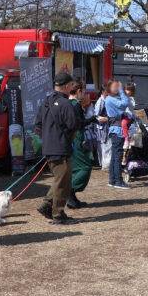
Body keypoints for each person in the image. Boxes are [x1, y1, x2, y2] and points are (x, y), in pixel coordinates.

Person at [34, 72, 84, 223]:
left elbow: (38, 124)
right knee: (63, 182)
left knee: (60, 179)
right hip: (61, 146)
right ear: (67, 86)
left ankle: (46, 204)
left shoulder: (46, 101)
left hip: (48, 146)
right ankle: (58, 214)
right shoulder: (66, 104)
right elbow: (74, 125)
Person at [67, 79, 101, 210]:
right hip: (77, 139)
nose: (84, 94)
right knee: (85, 167)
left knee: (75, 168)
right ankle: (69, 191)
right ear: (79, 91)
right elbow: (79, 124)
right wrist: (93, 119)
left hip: (71, 139)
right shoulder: (75, 104)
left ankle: (72, 197)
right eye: (83, 91)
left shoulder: (67, 103)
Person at [105, 79, 132, 189]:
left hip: (115, 129)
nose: (117, 88)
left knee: (114, 155)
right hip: (117, 129)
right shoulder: (111, 99)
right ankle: (118, 181)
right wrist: (121, 90)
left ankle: (112, 180)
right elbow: (126, 103)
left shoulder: (110, 99)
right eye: (115, 87)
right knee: (118, 156)